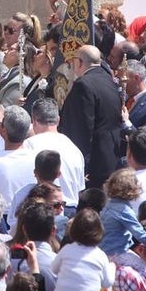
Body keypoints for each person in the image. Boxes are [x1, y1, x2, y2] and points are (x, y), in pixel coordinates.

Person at [59, 45, 123, 189]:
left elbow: (80, 130)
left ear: (79, 62)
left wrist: (80, 165)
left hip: (94, 163)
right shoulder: (108, 79)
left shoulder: (83, 85)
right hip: (111, 156)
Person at [48, 208, 114, 291]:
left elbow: (53, 269)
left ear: (73, 230)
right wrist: (112, 267)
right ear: (99, 231)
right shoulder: (100, 255)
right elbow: (107, 283)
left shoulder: (66, 249)